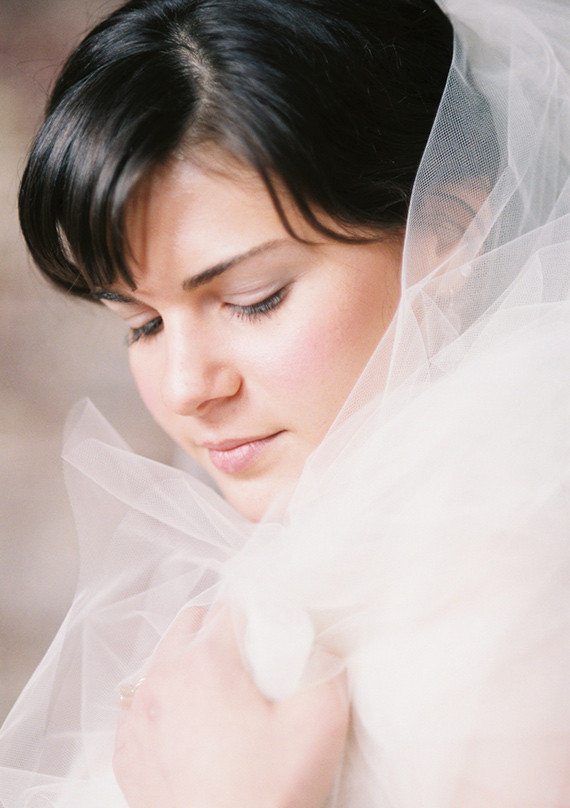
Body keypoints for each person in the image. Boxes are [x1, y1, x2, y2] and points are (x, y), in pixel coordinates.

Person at [1, 0, 569, 806]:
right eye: (143, 324)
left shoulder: (521, 603)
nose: (187, 387)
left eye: (254, 299)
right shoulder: (302, 571)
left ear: (448, 236)